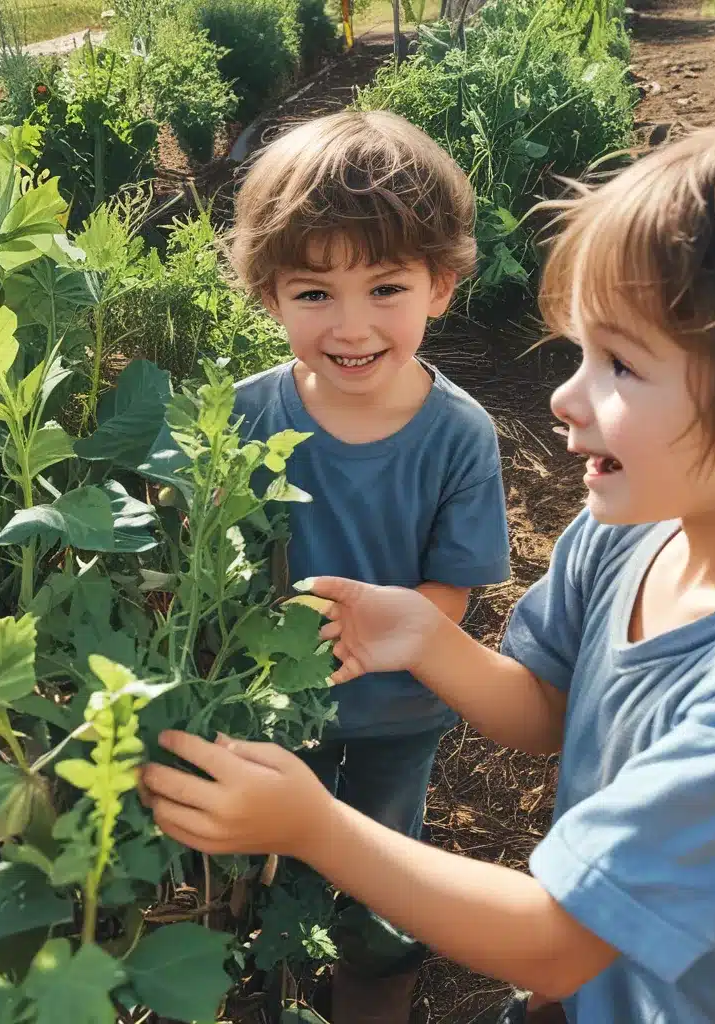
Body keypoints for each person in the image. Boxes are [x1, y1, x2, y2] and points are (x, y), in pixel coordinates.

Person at [140, 112, 715, 1024]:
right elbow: (551, 716)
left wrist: (314, 825)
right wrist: (424, 634)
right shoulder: (633, 532)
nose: (564, 396)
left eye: (619, 365)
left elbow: (556, 936)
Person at [223, 111, 512, 1021]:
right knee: (259, 867)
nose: (351, 327)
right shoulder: (241, 417)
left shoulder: (459, 435)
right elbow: (210, 554)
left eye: (386, 287)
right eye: (314, 294)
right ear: (268, 294)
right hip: (266, 699)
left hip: (394, 708)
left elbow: (454, 586)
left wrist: (382, 628)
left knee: (385, 865)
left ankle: (372, 996)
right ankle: (261, 984)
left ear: (442, 287)